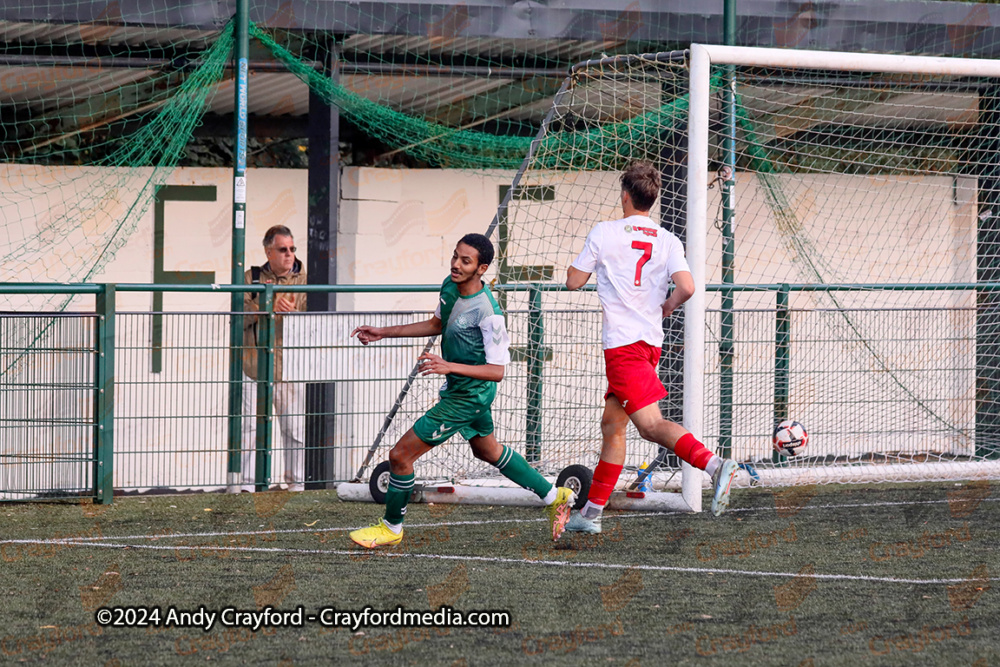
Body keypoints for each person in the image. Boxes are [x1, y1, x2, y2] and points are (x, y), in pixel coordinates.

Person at [348, 233, 575, 548]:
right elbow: (436, 324)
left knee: (400, 455)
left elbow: (497, 372)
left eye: (465, 260)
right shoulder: (449, 286)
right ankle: (555, 496)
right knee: (487, 450)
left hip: (468, 397)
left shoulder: (489, 313)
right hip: (461, 388)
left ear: (481, 268)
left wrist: (449, 366)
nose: (455, 264)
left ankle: (391, 528)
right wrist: (384, 332)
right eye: (455, 256)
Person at [564, 161, 740, 534]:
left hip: (623, 347)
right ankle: (590, 516)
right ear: (653, 198)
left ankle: (714, 466)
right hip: (648, 345)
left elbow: (574, 282)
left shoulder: (604, 232)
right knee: (612, 426)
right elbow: (688, 286)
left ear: (625, 195)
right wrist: (668, 305)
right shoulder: (667, 239)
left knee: (650, 425)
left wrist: (582, 267)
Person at [235, 224, 307, 493]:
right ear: (268, 251)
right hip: (254, 365)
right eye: (282, 249)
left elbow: (316, 322)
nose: (289, 255)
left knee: (294, 429)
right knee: (249, 428)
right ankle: (246, 485)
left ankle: (296, 484)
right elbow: (237, 319)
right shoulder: (250, 278)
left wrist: (294, 315)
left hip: (290, 367)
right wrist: (267, 307)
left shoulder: (305, 281)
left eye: (292, 249)